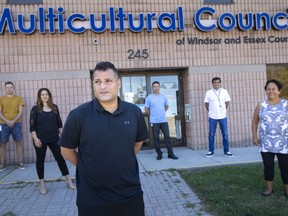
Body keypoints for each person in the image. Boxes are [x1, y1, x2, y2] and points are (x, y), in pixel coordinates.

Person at [59, 61, 149, 216]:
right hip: (92, 199)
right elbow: (66, 150)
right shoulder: (78, 115)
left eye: (108, 81)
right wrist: (86, 165)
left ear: (118, 83)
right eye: (97, 82)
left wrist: (123, 159)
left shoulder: (134, 112)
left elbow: (137, 143)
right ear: (93, 84)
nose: (103, 86)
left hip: (130, 195)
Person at [29, 88, 75, 195]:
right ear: (39, 96)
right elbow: (32, 127)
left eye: (46, 94)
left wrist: (63, 138)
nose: (44, 96)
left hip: (54, 138)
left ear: (49, 95)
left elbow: (59, 124)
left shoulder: (54, 108)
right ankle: (42, 183)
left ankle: (68, 180)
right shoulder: (35, 109)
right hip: (40, 139)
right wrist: (35, 139)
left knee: (60, 158)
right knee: (40, 160)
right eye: (42, 94)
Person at [252, 79, 288, 197]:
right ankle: (269, 189)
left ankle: (287, 190)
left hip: (284, 143)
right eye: (268, 89)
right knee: (268, 167)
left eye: (273, 89)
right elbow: (255, 121)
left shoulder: (286, 104)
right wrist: (255, 136)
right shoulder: (261, 105)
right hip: (266, 143)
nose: (271, 91)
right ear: (265, 91)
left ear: (279, 91)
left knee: (285, 167)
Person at [145, 81, 178, 160]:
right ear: (152, 88)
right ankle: (159, 154)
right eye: (154, 86)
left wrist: (161, 112)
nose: (156, 88)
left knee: (167, 138)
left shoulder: (163, 97)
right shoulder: (149, 97)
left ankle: (170, 153)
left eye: (158, 86)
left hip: (163, 121)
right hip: (154, 122)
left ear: (159, 87)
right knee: (156, 139)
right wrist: (152, 115)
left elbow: (166, 106)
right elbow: (146, 109)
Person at [204, 77, 233, 157]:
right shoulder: (209, 92)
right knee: (211, 134)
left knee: (225, 134)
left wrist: (223, 110)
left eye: (217, 82)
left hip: (222, 116)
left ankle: (227, 151)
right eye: (214, 82)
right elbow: (206, 104)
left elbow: (227, 102)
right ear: (212, 84)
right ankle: (211, 151)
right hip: (212, 116)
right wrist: (210, 111)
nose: (216, 84)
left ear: (220, 83)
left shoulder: (224, 91)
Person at [0, 81, 25, 171]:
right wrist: (7, 120)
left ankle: (21, 163)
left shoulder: (18, 98)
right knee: (2, 144)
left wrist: (13, 121)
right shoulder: (1, 99)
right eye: (7, 87)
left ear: (13, 88)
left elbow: (20, 111)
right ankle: (2, 164)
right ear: (5, 89)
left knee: (19, 142)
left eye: (11, 87)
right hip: (3, 124)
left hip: (16, 123)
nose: (9, 89)